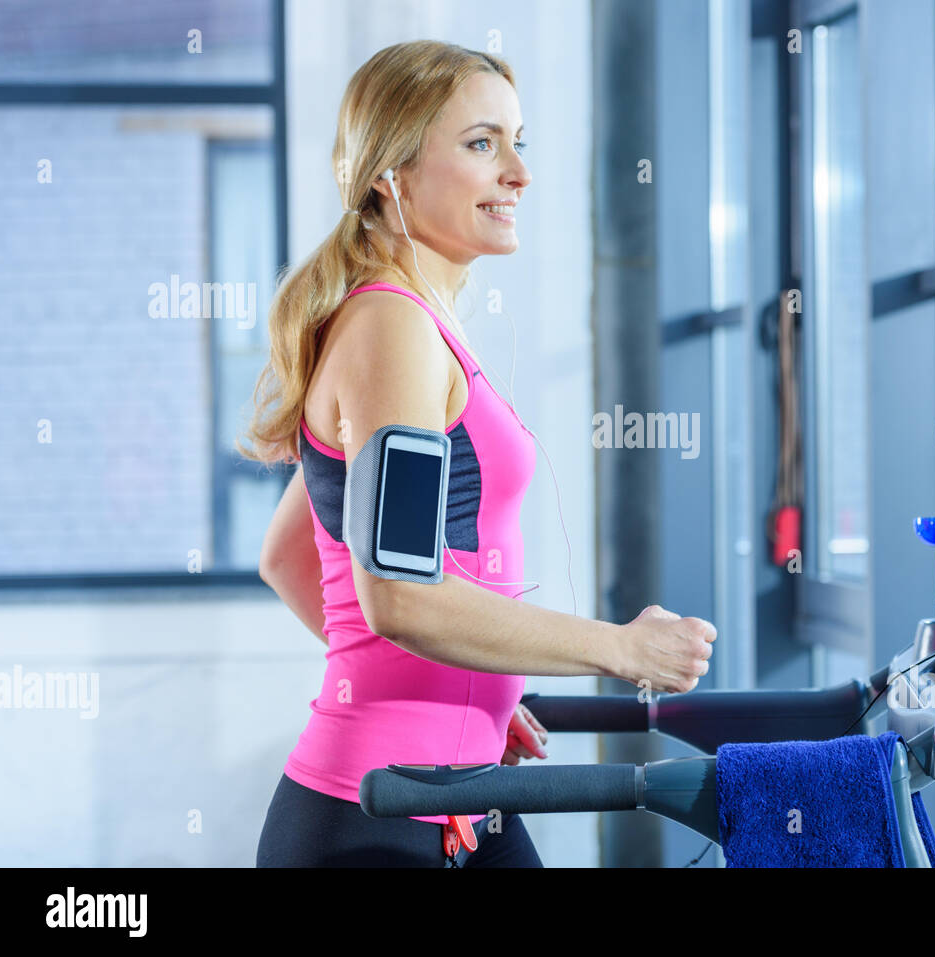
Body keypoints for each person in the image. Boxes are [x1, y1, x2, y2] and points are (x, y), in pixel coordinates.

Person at [240, 39, 717, 868]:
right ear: (392, 173)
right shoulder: (391, 328)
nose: (519, 174)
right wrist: (620, 647)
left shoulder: (415, 327)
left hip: (463, 796)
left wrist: (462, 690)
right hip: (376, 819)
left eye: (517, 140)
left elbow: (290, 553)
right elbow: (395, 595)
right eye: (481, 143)